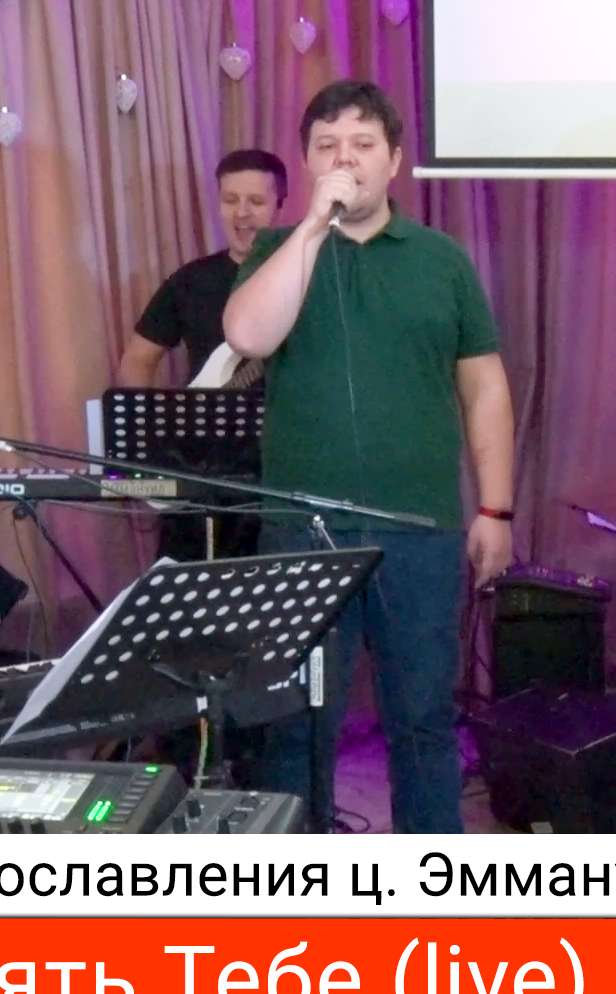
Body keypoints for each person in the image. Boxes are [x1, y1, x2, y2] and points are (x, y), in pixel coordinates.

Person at [222, 80, 514, 834]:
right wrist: (310, 229)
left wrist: (495, 506)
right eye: (327, 146)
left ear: (394, 160)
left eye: (361, 144)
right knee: (295, 722)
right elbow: (248, 335)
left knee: (422, 718)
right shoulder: (279, 251)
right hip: (301, 530)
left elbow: (485, 388)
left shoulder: (441, 261)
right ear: (307, 163)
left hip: (419, 528)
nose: (344, 160)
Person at [115, 148, 288, 390]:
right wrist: (146, 411)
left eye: (256, 201)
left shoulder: (305, 276)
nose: (241, 212)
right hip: (207, 414)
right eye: (230, 200)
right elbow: (137, 359)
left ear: (279, 207)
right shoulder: (190, 281)